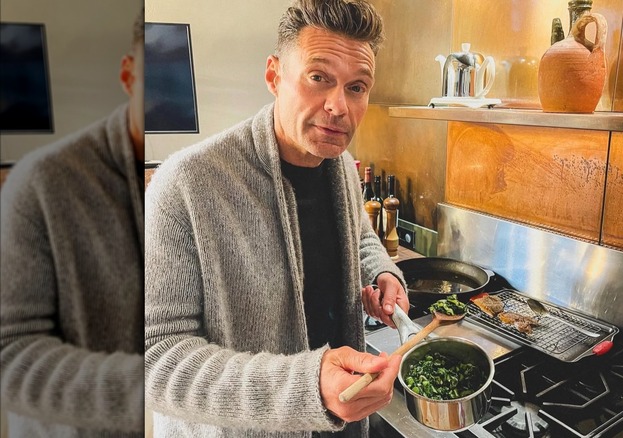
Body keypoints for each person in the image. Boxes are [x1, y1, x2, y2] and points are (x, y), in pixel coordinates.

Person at [144, 0, 409, 437]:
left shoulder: (340, 164)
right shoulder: (185, 185)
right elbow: (154, 359)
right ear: (274, 75)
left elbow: (359, 235)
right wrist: (306, 387)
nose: (338, 106)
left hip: (339, 423)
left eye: (357, 87)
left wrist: (381, 270)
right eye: (318, 77)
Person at [0, 10, 145, 438]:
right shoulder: (41, 182)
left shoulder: (192, 176)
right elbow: (11, 351)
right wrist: (158, 389)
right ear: (128, 75)